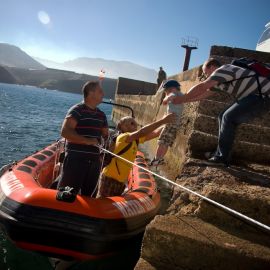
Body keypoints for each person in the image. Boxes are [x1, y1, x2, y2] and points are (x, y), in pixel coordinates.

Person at [166, 58, 270, 167]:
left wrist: (183, 98)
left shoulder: (224, 69)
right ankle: (221, 153)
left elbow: (202, 86)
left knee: (228, 118)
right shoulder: (220, 82)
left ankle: (222, 158)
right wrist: (184, 100)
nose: (206, 76)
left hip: (263, 96)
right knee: (222, 116)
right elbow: (203, 95)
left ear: (212, 67)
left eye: (206, 72)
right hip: (256, 96)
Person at [97, 113, 175, 197]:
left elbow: (155, 133)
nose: (135, 125)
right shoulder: (123, 137)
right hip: (110, 178)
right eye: (131, 123)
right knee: (103, 201)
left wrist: (168, 125)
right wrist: (163, 121)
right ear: (123, 127)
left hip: (121, 181)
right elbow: (142, 132)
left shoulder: (135, 139)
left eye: (135, 123)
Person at [57, 81, 108, 200]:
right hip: (75, 160)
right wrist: (87, 140)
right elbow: (65, 132)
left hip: (94, 164)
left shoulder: (102, 115)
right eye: (100, 91)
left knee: (90, 197)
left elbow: (105, 137)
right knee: (65, 196)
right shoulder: (77, 110)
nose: (103, 94)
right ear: (91, 93)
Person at [149, 80, 183, 166]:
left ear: (171, 89)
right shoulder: (181, 95)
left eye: (166, 91)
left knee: (161, 142)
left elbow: (170, 96)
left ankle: (156, 159)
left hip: (170, 123)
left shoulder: (173, 93)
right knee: (166, 143)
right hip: (175, 124)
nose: (165, 93)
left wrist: (165, 99)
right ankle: (160, 159)